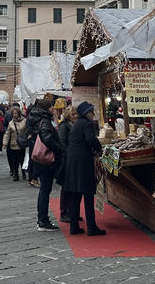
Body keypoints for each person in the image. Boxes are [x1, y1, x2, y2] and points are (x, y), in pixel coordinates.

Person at [64, 101, 106, 236]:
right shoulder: (87, 123)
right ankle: (91, 227)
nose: (93, 113)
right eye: (92, 111)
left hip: (73, 160)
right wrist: (99, 149)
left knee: (75, 195)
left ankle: (74, 226)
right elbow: (90, 139)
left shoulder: (77, 123)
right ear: (88, 112)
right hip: (83, 161)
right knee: (88, 194)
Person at [26, 98, 65, 231]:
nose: (53, 108)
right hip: (45, 161)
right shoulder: (45, 120)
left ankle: (42, 219)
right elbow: (46, 137)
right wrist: (59, 148)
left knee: (44, 190)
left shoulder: (36, 118)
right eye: (51, 106)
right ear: (48, 108)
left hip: (39, 160)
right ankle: (43, 220)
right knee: (45, 190)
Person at [56, 105, 79, 223]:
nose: (75, 116)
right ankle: (64, 212)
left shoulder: (75, 126)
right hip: (66, 161)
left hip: (74, 160)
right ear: (68, 115)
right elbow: (62, 143)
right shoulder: (64, 126)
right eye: (73, 114)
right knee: (66, 187)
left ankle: (73, 211)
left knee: (73, 187)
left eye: (76, 114)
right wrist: (69, 154)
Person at [3, 106, 27, 181]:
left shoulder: (25, 121)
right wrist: (5, 143)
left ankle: (23, 173)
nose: (14, 115)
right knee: (15, 160)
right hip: (14, 143)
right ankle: (16, 174)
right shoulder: (11, 123)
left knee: (22, 159)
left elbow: (27, 131)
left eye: (16, 113)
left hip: (22, 143)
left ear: (19, 113)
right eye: (13, 113)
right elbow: (7, 134)